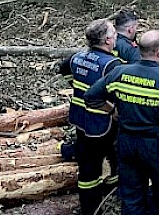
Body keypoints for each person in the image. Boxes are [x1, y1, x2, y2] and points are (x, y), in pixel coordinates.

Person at [85, 30, 159, 215]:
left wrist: (112, 111)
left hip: (126, 142)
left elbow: (91, 97)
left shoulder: (120, 72)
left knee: (131, 196)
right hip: (156, 144)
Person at [59, 19, 122, 215]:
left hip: (80, 117)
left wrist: (75, 85)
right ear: (107, 40)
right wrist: (114, 110)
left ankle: (103, 194)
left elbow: (63, 68)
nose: (117, 37)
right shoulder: (111, 65)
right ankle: (92, 206)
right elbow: (117, 94)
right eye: (114, 34)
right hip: (102, 121)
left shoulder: (78, 57)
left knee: (91, 157)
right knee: (94, 165)